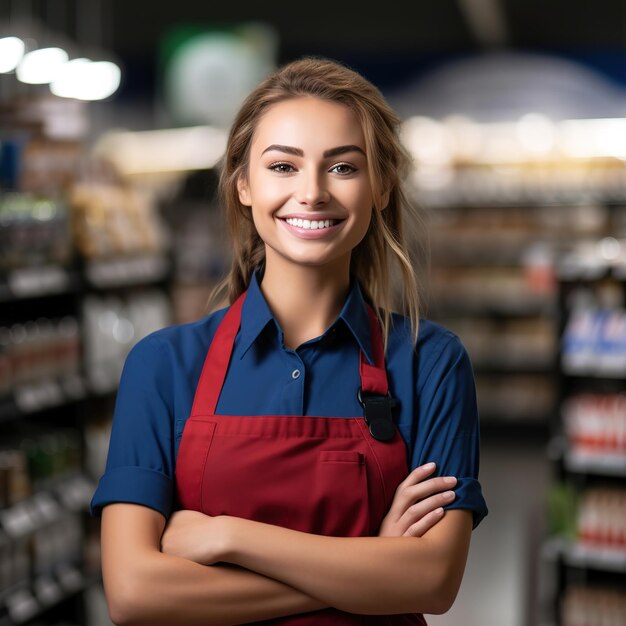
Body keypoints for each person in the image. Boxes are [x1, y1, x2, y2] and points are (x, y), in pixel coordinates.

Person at [90, 56, 488, 626]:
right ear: (244, 185)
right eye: (283, 166)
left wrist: (228, 536)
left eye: (344, 168)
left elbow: (432, 580)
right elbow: (134, 593)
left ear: (381, 188)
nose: (312, 192)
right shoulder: (163, 365)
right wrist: (373, 567)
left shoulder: (431, 362)